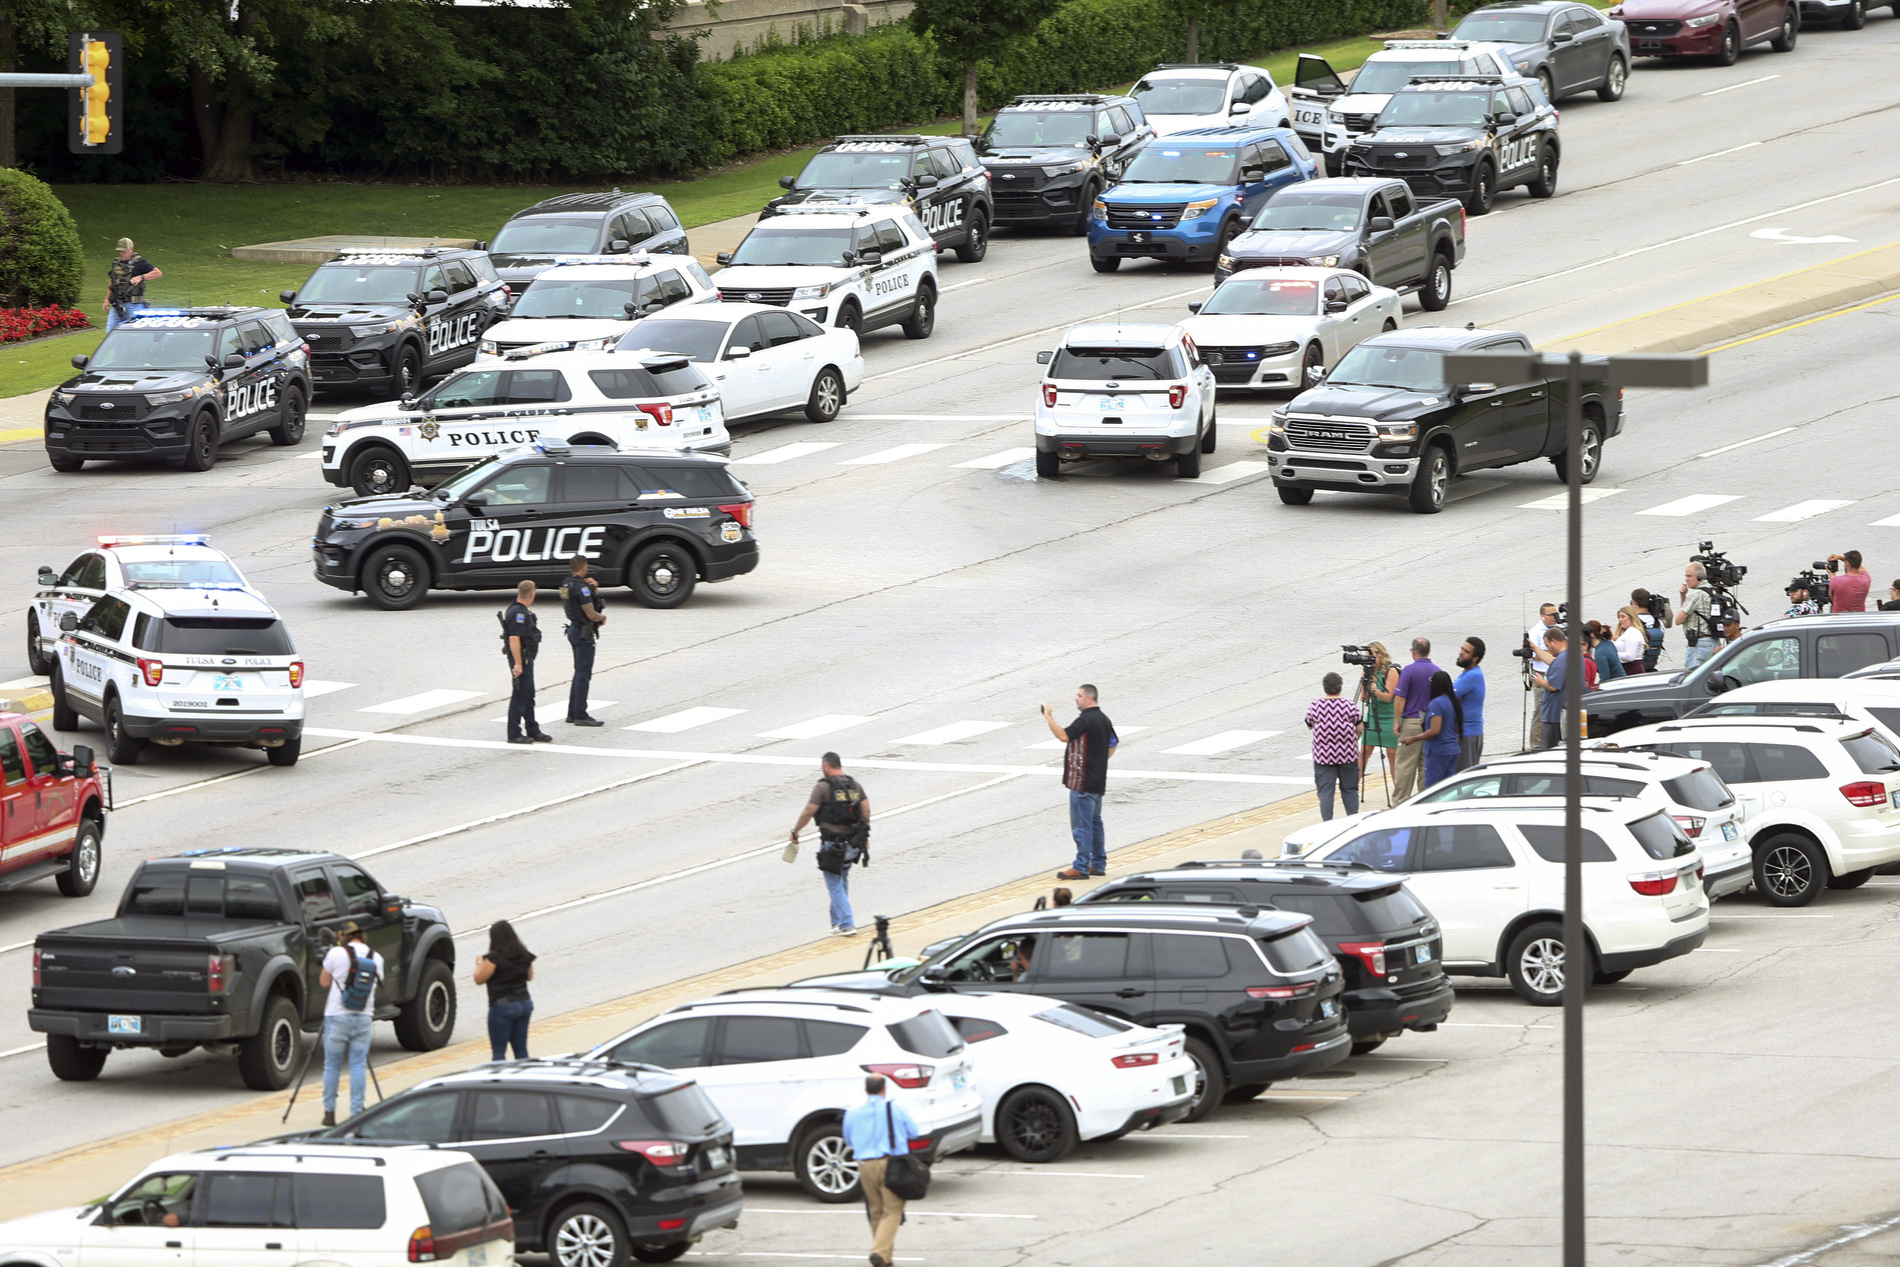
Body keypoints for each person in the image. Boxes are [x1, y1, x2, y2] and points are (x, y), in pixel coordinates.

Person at [843, 1073, 918, 1267]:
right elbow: (914, 1132)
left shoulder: (852, 1112)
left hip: (865, 1165)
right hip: (891, 1164)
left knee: (875, 1211)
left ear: (866, 1090)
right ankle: (879, 1252)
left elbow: (849, 1140)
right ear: (884, 1089)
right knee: (892, 1210)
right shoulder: (896, 1108)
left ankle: (885, 1259)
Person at [790, 753, 869, 936]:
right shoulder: (855, 785)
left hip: (832, 845)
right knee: (842, 880)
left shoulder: (823, 787)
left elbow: (809, 812)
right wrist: (864, 836)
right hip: (852, 844)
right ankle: (836, 922)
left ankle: (847, 925)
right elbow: (865, 810)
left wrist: (796, 831)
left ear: (826, 766)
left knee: (834, 885)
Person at [1045, 685, 1118, 881]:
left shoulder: (1086, 719)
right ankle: (1098, 863)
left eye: (1079, 696)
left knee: (1082, 826)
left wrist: (1048, 717)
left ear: (1089, 699)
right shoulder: (1103, 719)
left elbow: (1063, 736)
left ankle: (1081, 866)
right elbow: (1113, 743)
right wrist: (1099, 762)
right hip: (1097, 780)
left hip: (1082, 782)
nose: (1076, 699)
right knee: (1095, 823)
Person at [317, 920, 383, 1127]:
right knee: (358, 1064)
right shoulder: (376, 957)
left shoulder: (336, 953)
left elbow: (324, 982)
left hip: (337, 1015)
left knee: (332, 1065)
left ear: (343, 936)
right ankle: (356, 1113)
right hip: (363, 1016)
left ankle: (329, 1113)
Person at [1304, 672, 1364, 820]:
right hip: (1347, 755)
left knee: (1325, 792)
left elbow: (1309, 724)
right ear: (1340, 687)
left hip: (1323, 756)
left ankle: (1327, 822)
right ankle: (1352, 820)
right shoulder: (1349, 705)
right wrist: (1352, 739)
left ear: (1324, 687)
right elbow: (1360, 727)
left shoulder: (1316, 705)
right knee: (1349, 790)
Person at [474, 920, 535, 1061]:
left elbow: (479, 979)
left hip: (503, 1006)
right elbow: (529, 977)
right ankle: (524, 1079)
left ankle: (499, 1080)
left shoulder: (493, 959)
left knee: (499, 1052)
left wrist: (479, 963)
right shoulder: (525, 955)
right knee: (521, 1051)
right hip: (524, 1003)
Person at [503, 580, 552, 745]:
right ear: (532, 595)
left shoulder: (521, 609)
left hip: (525, 657)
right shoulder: (518, 613)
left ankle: (533, 729)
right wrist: (518, 664)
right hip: (521, 658)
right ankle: (514, 733)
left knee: (528, 694)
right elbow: (514, 638)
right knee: (520, 695)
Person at [1390, 638, 1440, 801]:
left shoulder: (1409, 671)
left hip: (1412, 722)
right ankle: (1424, 801)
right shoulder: (1437, 671)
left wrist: (1397, 721)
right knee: (1425, 766)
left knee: (1405, 765)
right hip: (1431, 723)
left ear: (1413, 651)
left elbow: (1400, 698)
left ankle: (1400, 802)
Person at [559, 557, 606, 726]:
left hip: (573, 629)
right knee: (583, 674)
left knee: (579, 672)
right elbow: (591, 614)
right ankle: (580, 714)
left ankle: (573, 712)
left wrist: (594, 588)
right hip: (583, 633)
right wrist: (602, 617)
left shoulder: (566, 583)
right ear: (583, 567)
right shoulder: (581, 588)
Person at [1401, 670, 1463, 791]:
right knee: (1448, 789)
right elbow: (1456, 727)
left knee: (1433, 789)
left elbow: (1435, 730)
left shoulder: (1436, 703)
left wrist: (1413, 738)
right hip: (1452, 750)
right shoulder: (1453, 702)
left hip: (1437, 752)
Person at [1357, 643, 1400, 795]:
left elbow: (1388, 697)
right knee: (1363, 752)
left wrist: (1374, 690)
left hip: (1389, 715)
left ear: (1380, 654)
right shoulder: (1368, 672)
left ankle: (1399, 790)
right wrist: (1365, 689)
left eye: (1372, 655)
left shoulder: (1391, 671)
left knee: (1392, 754)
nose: (1369, 659)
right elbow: (1364, 698)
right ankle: (1352, 789)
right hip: (1373, 714)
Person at [104, 238, 161, 331]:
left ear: (131, 249)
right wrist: (107, 299)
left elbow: (158, 273)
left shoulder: (139, 263)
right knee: (111, 332)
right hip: (118, 304)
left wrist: (141, 277)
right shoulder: (116, 263)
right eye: (119, 251)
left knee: (135, 332)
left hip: (134, 305)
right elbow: (112, 281)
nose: (121, 253)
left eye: (123, 251)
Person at [1534, 628, 1572, 750]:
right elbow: (1553, 662)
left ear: (1554, 641)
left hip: (1553, 716)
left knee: (1549, 751)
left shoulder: (1562, 659)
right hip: (1557, 714)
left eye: (1547, 645)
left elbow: (1553, 686)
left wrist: (1541, 682)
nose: (1548, 650)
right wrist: (1534, 648)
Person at [1453, 637, 1486, 771]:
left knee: (1464, 778)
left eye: (1466, 651)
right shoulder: (1468, 674)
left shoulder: (1471, 676)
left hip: (1468, 735)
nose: (1461, 652)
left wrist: (1450, 695)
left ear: (1475, 658)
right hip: (1470, 733)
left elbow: (1445, 695)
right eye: (1462, 649)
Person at [1677, 563, 1715, 670]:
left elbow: (1679, 620)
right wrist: (1683, 596)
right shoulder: (1712, 590)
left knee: (1692, 679)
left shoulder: (1696, 594)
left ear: (1699, 577)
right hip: (1712, 642)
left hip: (1699, 645)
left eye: (1689, 576)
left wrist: (1684, 596)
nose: (1686, 579)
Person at [1631, 588, 1666, 672]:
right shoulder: (1658, 623)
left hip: (1635, 667)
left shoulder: (1632, 622)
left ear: (1634, 602)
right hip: (1651, 665)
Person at [1613, 610, 1647, 675]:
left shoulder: (1633, 632)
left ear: (1631, 618)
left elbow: (1630, 656)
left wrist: (1611, 655)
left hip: (1632, 670)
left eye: (1623, 617)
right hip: (1626, 669)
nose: (1620, 620)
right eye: (1619, 617)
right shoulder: (1627, 632)